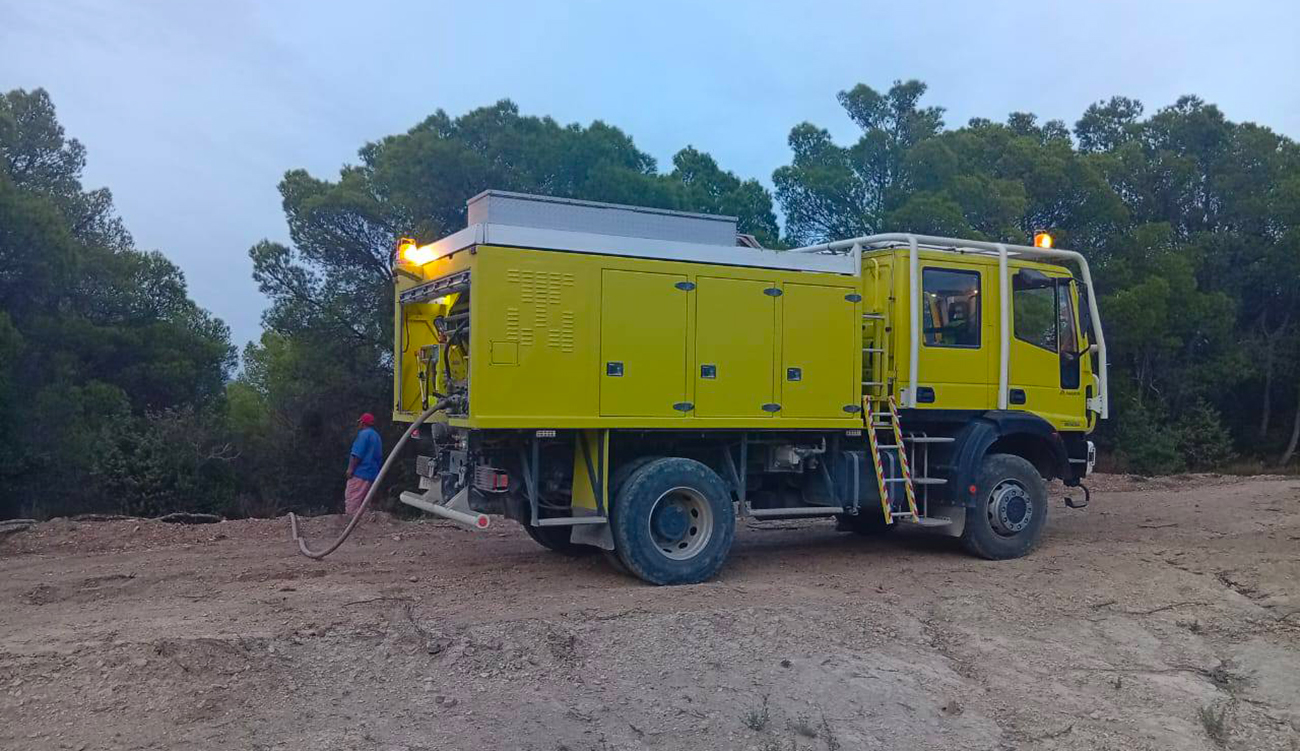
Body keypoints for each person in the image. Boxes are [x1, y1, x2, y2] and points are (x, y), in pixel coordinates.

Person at [344, 413, 383, 515]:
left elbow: (356, 454)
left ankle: (351, 524)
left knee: (352, 500)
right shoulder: (376, 436)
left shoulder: (364, 435)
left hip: (360, 474)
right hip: (372, 475)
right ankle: (365, 527)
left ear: (362, 423)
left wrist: (350, 469)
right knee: (365, 504)